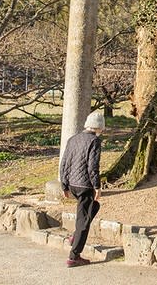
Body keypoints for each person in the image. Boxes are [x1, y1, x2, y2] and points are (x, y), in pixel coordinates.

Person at [59, 110, 104, 267]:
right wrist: (97, 186)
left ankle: (75, 236)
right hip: (85, 186)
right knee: (84, 222)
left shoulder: (73, 139)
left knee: (94, 207)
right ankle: (74, 256)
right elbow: (93, 167)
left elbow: (64, 163)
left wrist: (64, 184)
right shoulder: (94, 142)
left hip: (73, 184)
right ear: (99, 127)